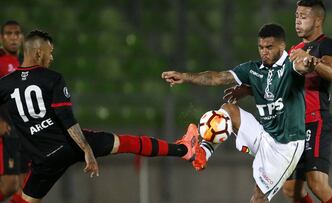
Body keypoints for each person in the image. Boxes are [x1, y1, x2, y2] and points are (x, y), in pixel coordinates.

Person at [0, 30, 199, 203]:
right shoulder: (52, 78)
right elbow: (66, 118)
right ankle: (184, 149)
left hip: (43, 160)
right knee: (127, 143)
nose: (51, 58)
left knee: (23, 201)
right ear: (37, 52)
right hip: (69, 146)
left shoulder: (5, 84)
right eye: (49, 53)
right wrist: (86, 149)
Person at [162, 23, 316, 202]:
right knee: (228, 110)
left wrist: (309, 61)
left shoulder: (291, 65)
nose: (264, 52)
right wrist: (185, 77)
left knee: (258, 198)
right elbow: (218, 77)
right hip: (264, 135)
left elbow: (306, 66)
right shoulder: (253, 69)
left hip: (285, 147)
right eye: (260, 47)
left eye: (269, 47)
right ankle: (203, 153)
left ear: (282, 46)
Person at [281, 1, 332, 202]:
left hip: (316, 120)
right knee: (291, 189)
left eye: (304, 16)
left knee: (316, 182)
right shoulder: (295, 49)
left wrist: (310, 60)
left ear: (317, 20)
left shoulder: (326, 44)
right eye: (297, 16)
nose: (298, 21)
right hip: (295, 125)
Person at [0, 20, 28, 202]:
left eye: (16, 33)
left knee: (24, 186)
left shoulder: (25, 62)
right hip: (6, 130)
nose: (13, 37)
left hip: (24, 131)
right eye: (8, 34)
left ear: (22, 37)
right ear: (2, 38)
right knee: (10, 184)